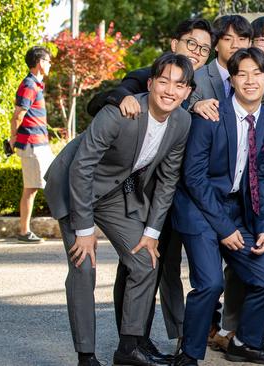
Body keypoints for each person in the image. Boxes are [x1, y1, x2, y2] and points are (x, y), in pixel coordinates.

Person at [43, 52, 194, 366]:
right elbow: (81, 168)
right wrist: (84, 231)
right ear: (150, 84)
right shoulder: (121, 113)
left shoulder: (182, 121)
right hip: (75, 186)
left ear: (188, 92)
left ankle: (128, 349)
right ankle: (86, 356)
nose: (170, 90)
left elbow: (168, 179)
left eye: (179, 85)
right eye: (163, 81)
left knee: (145, 261)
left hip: (113, 192)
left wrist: (152, 233)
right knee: (84, 267)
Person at [86, 19, 215, 356]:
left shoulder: (195, 85)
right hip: (134, 189)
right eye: (191, 43)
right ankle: (132, 340)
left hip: (169, 192)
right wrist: (120, 98)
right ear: (174, 43)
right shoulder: (153, 73)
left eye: (204, 48)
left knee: (161, 264)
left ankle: (145, 340)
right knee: (136, 263)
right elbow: (102, 100)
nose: (197, 52)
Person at [170, 48, 264, 366]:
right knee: (210, 283)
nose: (250, 80)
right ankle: (189, 354)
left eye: (257, 73)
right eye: (242, 73)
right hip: (198, 208)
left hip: (237, 210)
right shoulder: (210, 115)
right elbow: (193, 177)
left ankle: (245, 342)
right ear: (232, 79)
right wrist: (224, 227)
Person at [189, 15, 264, 128]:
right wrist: (195, 106)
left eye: (242, 39)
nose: (235, 45)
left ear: (249, 44)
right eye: (228, 39)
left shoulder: (254, 77)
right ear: (216, 45)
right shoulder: (198, 76)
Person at [9, 46, 54, 243]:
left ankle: (25, 230)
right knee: (31, 188)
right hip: (32, 144)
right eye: (48, 61)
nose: (50, 64)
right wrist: (13, 140)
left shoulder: (35, 85)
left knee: (49, 182)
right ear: (40, 63)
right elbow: (18, 115)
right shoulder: (29, 85)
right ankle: (24, 231)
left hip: (40, 144)